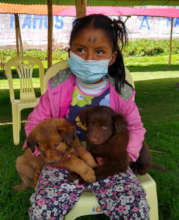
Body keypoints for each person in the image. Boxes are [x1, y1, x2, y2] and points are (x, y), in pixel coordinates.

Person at [25, 14, 149, 219]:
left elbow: (135, 127)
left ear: (112, 57)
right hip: (65, 162)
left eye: (99, 51)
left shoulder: (120, 92)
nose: (88, 58)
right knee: (42, 210)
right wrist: (48, 154)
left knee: (134, 208)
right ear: (69, 52)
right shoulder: (57, 88)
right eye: (80, 50)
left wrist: (126, 156)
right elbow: (35, 123)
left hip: (109, 163)